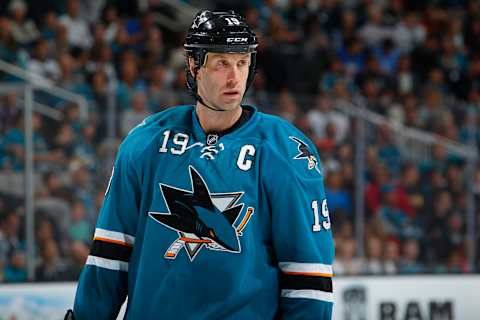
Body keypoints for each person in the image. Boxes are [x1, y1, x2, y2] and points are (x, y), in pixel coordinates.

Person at [66, 10, 334, 319]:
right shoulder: (146, 141)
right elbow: (110, 254)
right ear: (194, 66)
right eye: (221, 63)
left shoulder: (284, 150)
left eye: (242, 63)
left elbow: (308, 276)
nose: (235, 77)